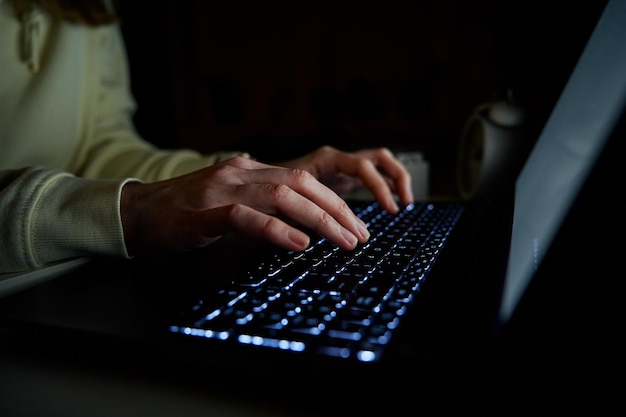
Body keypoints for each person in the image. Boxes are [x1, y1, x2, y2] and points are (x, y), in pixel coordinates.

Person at [0, 0, 413, 275]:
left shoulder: (90, 7)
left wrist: (257, 180)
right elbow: (127, 201)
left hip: (70, 267)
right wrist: (129, 212)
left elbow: (101, 148)